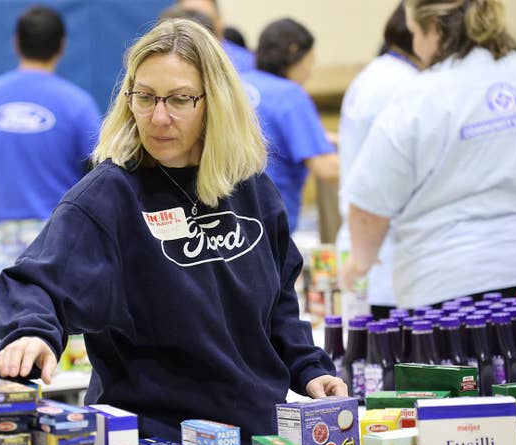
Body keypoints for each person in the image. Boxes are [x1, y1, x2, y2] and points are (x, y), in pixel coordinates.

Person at [0, 18, 345, 445]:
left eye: (179, 99)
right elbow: (36, 281)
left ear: (214, 102)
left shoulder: (252, 188)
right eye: (145, 97)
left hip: (254, 441)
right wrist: (31, 331)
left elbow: (278, 302)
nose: (158, 117)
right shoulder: (108, 197)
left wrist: (309, 367)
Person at [341, 0, 516, 308]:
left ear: (434, 29)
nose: (416, 46)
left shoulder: (416, 98)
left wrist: (359, 264)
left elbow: (368, 210)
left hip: (448, 289)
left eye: (415, 33)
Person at [0, 6, 101, 222]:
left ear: (16, 44)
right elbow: (99, 169)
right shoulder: (78, 104)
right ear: (62, 46)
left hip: (5, 235)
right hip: (61, 229)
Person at [335, 3, 420, 318]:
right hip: (384, 253)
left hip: (370, 250)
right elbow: (385, 176)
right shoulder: (404, 86)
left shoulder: (374, 75)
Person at [241, 18, 338, 232]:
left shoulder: (238, 83)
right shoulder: (290, 95)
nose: (310, 72)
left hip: (233, 216)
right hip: (271, 219)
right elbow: (326, 168)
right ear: (295, 52)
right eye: (310, 61)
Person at [176, 0, 254, 73]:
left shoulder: (247, 63)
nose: (195, 31)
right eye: (187, 21)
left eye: (204, 20)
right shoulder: (169, 61)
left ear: (219, 22)